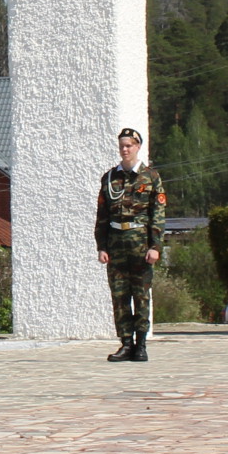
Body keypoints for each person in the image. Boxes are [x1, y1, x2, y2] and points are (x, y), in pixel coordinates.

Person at [95, 127, 166, 361]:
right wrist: (102, 246)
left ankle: (142, 343)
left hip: (140, 245)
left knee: (141, 294)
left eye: (129, 146)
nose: (125, 150)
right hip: (116, 243)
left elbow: (157, 215)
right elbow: (102, 215)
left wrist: (155, 247)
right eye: (122, 146)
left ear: (137, 147)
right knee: (119, 296)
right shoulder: (109, 178)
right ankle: (126, 342)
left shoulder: (150, 177)